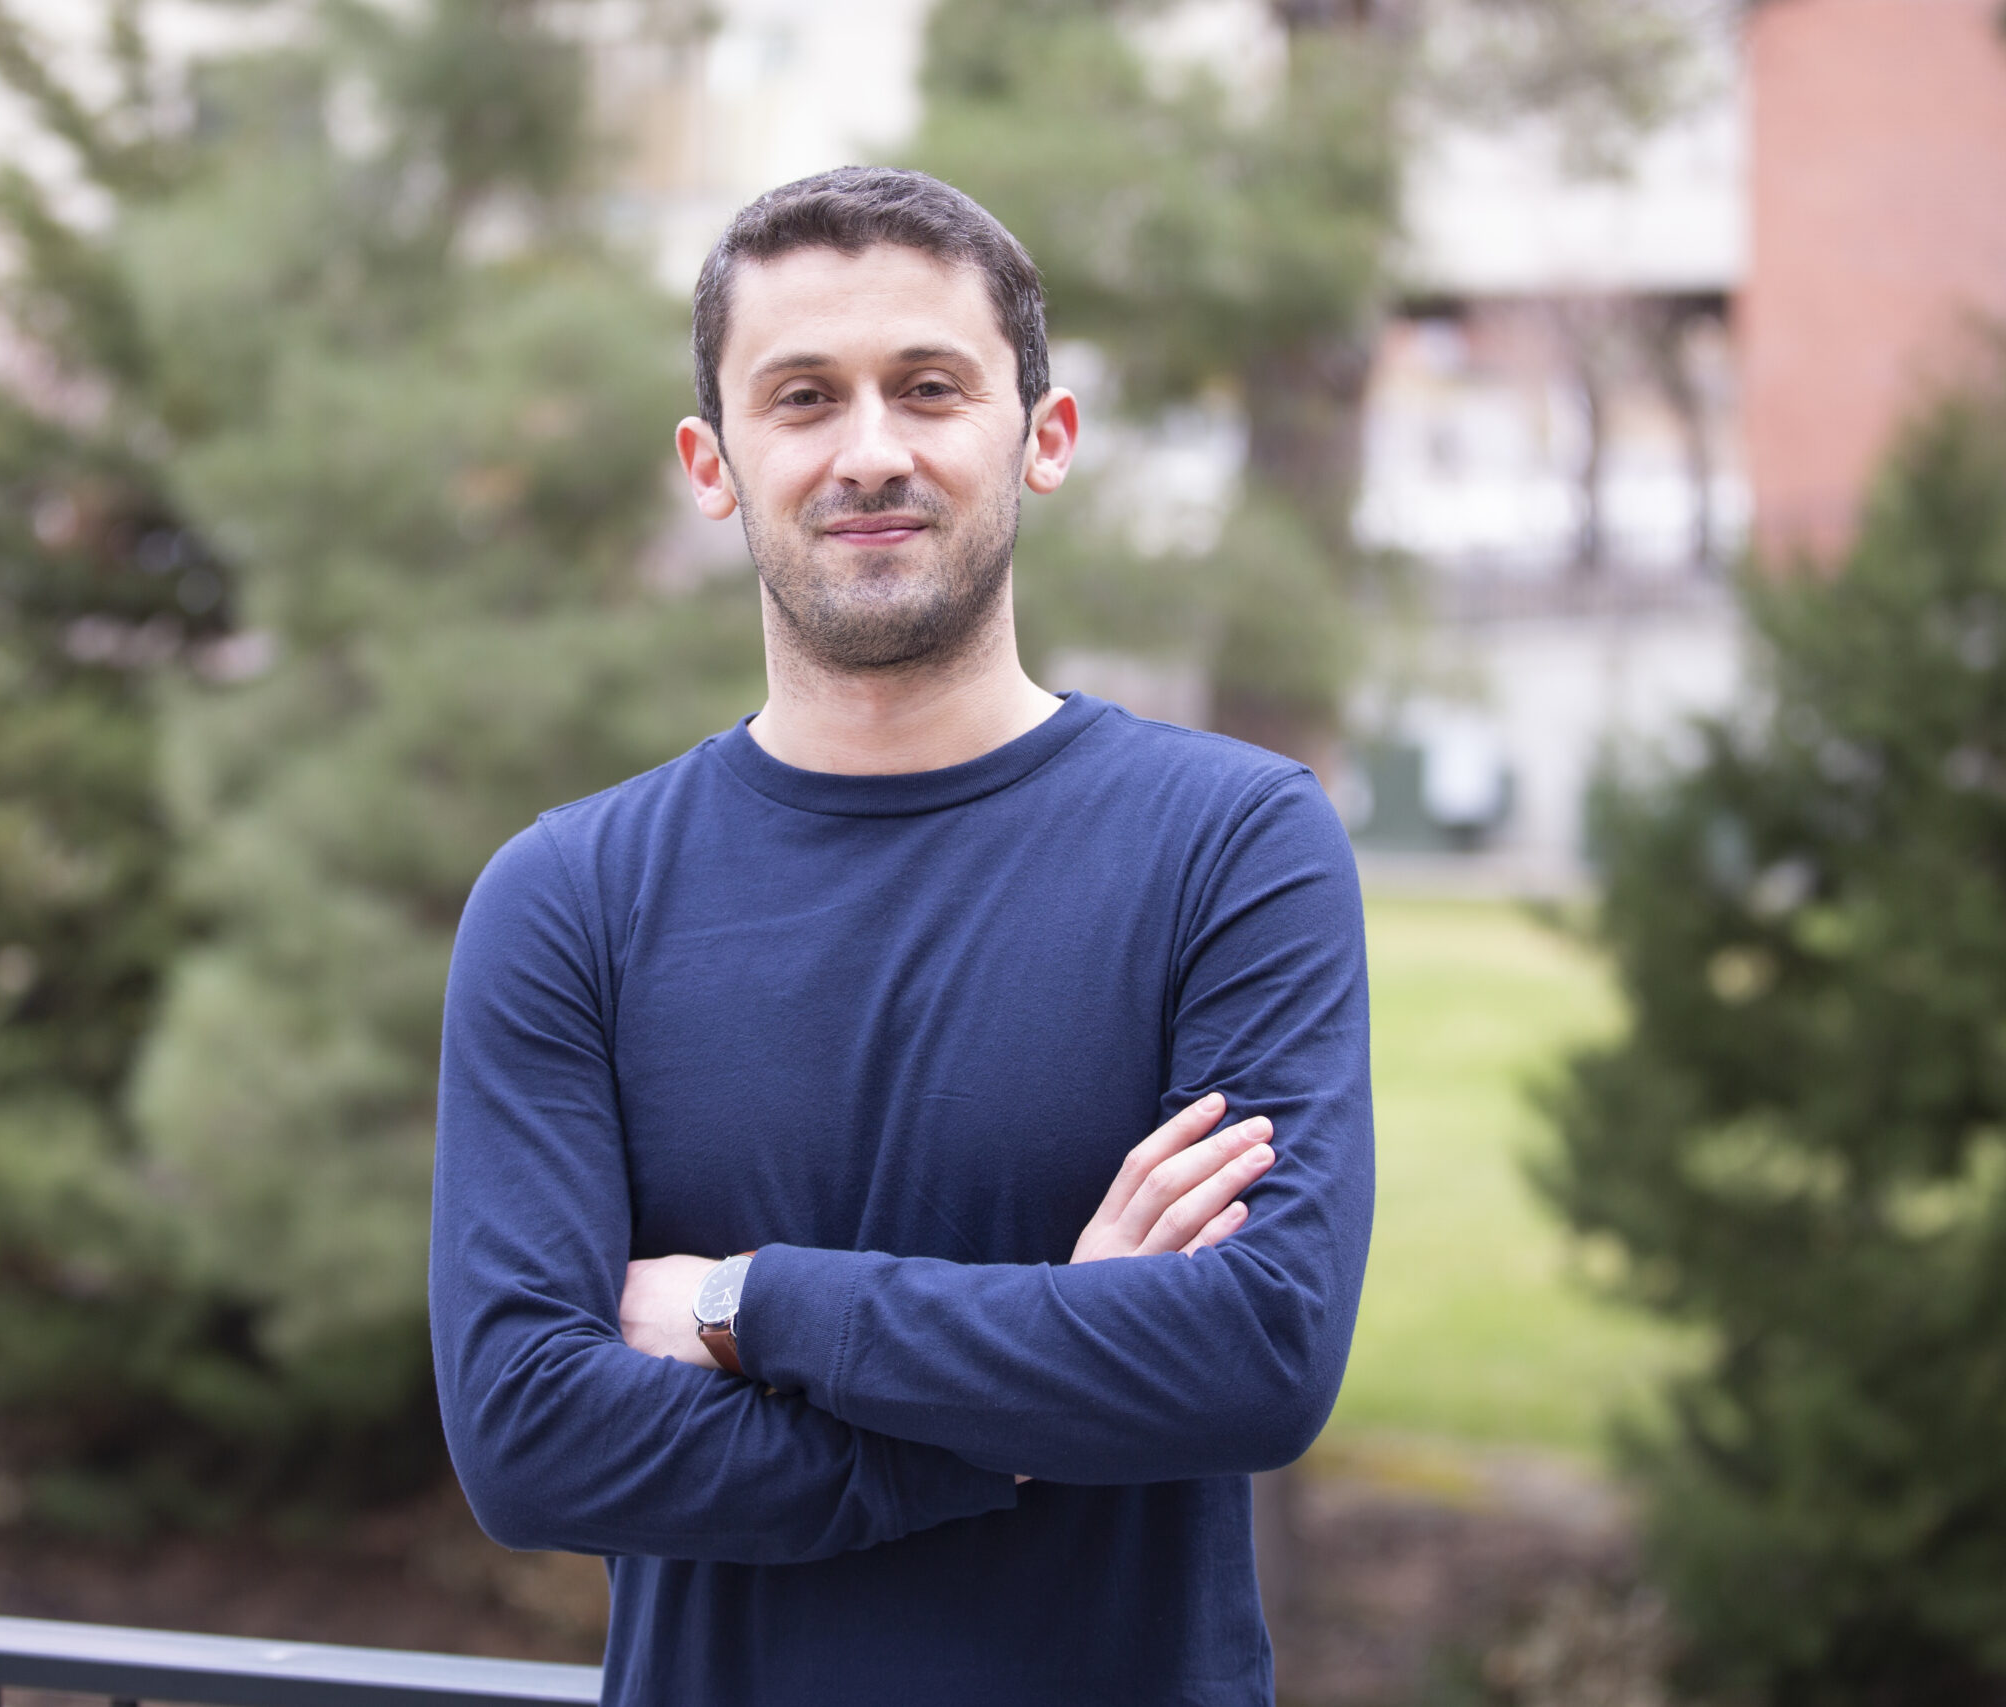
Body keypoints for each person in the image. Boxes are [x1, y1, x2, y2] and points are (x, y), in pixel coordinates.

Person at [430, 165, 1373, 1707]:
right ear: (713, 461)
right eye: (803, 397)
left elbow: (1258, 1356)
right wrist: (1037, 1394)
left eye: (929, 388)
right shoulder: (568, 898)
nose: (871, 450)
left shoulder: (1231, 843)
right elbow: (533, 1441)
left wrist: (754, 1307)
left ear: (1042, 436)